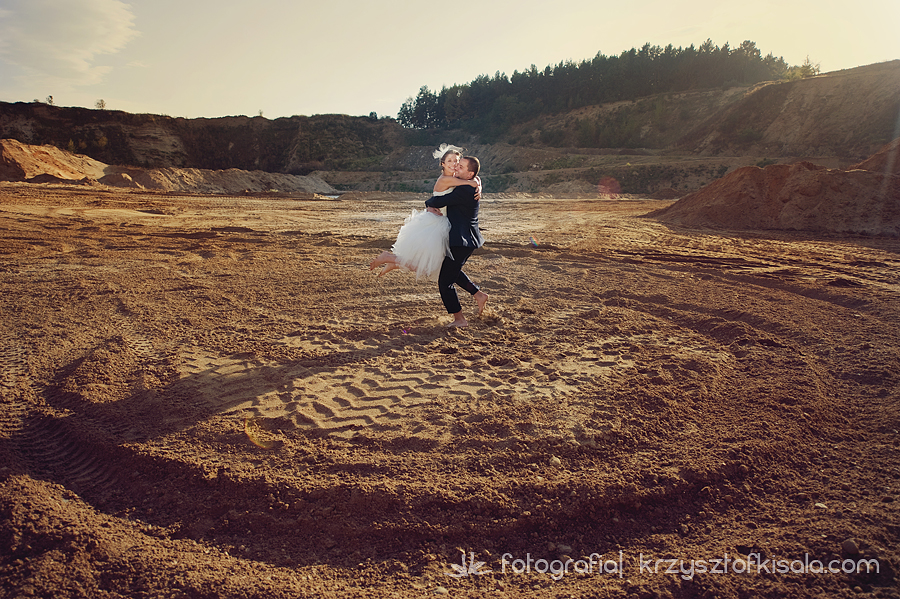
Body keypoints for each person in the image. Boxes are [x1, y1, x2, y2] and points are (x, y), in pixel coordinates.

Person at [369, 144, 479, 279]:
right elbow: (469, 181)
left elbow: (470, 179)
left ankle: (395, 262)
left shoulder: (455, 177)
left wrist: (477, 182)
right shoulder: (447, 179)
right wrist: (476, 184)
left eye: (456, 161)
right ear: (442, 164)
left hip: (443, 220)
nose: (454, 164)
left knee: (435, 265)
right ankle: (390, 258)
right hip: (436, 222)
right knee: (428, 268)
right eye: (449, 161)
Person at [424, 155, 489, 327]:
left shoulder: (464, 190)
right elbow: (475, 178)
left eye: (460, 167)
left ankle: (460, 320)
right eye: (456, 165)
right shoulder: (469, 183)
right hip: (465, 239)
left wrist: (429, 203)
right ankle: (478, 295)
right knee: (452, 272)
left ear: (470, 174)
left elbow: (440, 200)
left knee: (445, 282)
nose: (456, 168)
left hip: (461, 241)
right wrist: (477, 182)